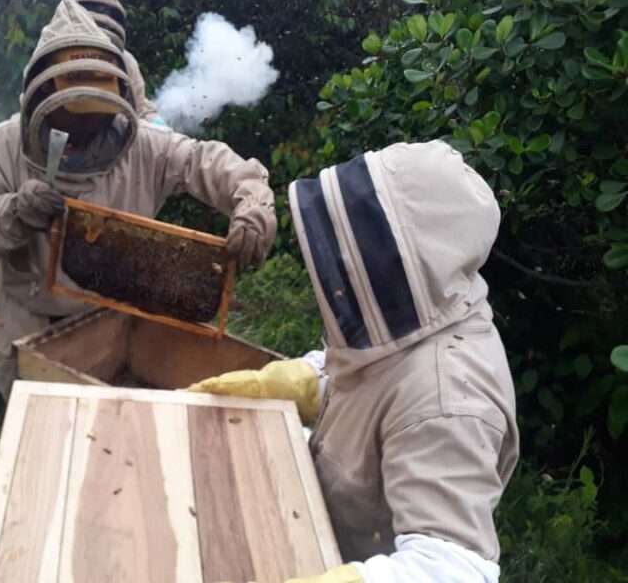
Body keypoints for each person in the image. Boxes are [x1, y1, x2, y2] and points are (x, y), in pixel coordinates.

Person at [187, 140, 519, 582]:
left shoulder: (450, 401)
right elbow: (373, 374)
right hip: (314, 530)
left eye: (359, 248)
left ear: (405, 259)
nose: (341, 264)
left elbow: (453, 568)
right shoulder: (417, 318)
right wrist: (309, 381)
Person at [0, 0, 276, 397]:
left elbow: (214, 163)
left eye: (94, 117)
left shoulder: (147, 146)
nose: (83, 129)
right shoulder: (5, 144)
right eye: (72, 114)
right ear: (42, 96)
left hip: (114, 330)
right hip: (28, 330)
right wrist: (15, 211)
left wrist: (253, 203)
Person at [72, 0, 166, 125]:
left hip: (113, 139)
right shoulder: (54, 54)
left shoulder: (126, 61)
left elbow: (140, 107)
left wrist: (157, 125)